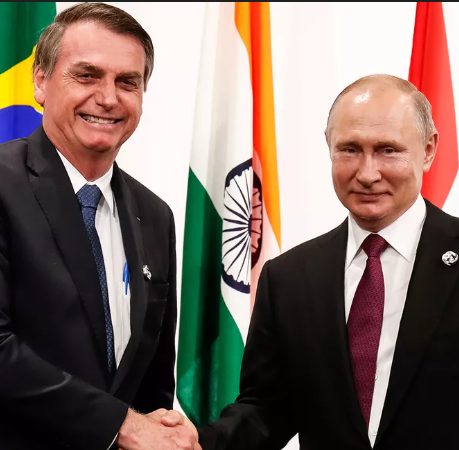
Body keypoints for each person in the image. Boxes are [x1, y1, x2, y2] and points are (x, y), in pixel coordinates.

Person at [162, 74, 459, 449]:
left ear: (429, 150)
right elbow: (266, 411)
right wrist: (196, 443)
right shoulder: (289, 279)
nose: (367, 173)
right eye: (350, 149)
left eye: (388, 150)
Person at [0, 3, 198, 450]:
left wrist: (158, 429)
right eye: (87, 75)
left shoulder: (156, 216)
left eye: (127, 82)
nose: (108, 98)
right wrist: (123, 426)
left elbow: (151, 382)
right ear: (40, 81)